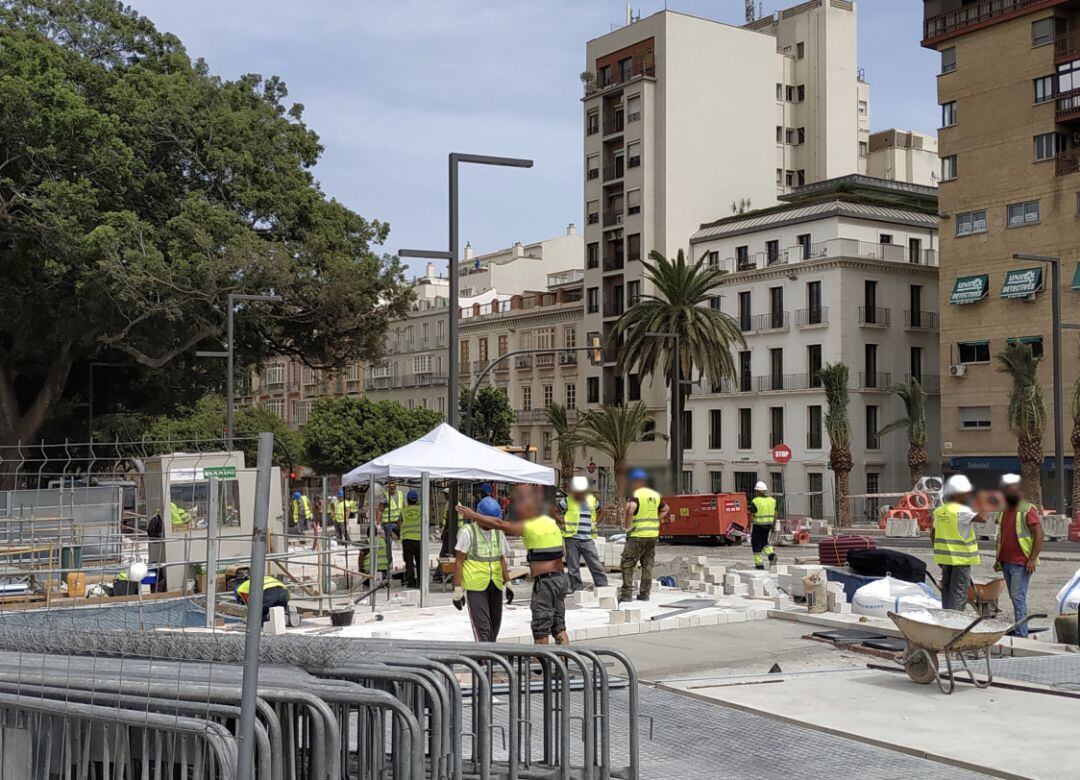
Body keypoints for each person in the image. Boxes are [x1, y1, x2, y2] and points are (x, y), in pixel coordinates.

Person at [460, 485, 569, 644]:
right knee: (559, 626)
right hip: (561, 580)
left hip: (545, 583)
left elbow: (500, 524)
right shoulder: (551, 524)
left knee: (541, 628)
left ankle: (542, 664)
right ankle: (562, 664)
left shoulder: (531, 525)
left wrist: (473, 514)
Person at [452, 496, 513, 642]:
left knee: (495, 627)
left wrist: (508, 583)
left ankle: (487, 661)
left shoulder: (498, 532)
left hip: (495, 584)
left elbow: (501, 559)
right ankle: (485, 662)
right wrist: (457, 589)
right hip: (475, 586)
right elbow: (459, 561)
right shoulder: (468, 532)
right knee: (483, 629)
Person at [994, 473, 1043, 637]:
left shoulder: (1027, 509)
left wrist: (1032, 559)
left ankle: (1022, 633)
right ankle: (1020, 630)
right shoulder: (1003, 511)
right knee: (1015, 597)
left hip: (1020, 562)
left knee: (1018, 598)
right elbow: (1001, 536)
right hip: (1006, 562)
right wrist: (998, 560)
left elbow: (1039, 533)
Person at [931, 474, 988, 610]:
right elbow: (983, 517)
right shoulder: (961, 511)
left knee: (947, 590)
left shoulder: (939, 512)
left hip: (945, 558)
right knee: (958, 592)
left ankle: (947, 616)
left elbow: (933, 534)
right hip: (961, 559)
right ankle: (955, 621)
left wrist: (939, 552)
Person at [619, 469, 667, 603]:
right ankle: (645, 594)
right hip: (652, 535)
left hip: (637, 535)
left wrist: (627, 526)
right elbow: (666, 509)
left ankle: (626, 594)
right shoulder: (655, 495)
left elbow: (630, 509)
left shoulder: (636, 495)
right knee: (647, 565)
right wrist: (656, 519)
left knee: (627, 564)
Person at [555, 476, 609, 592]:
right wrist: (562, 522)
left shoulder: (592, 500)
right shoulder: (568, 500)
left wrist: (595, 523)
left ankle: (602, 587)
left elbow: (602, 511)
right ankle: (577, 589)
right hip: (571, 539)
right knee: (573, 567)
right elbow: (554, 511)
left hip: (587, 539)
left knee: (595, 564)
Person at [748, 481, 778, 570]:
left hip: (758, 525)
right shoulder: (772, 501)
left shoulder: (756, 501)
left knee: (756, 543)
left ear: (757, 491)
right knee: (764, 541)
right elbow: (775, 514)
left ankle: (759, 565)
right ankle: (772, 555)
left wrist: (749, 526)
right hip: (768, 525)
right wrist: (773, 525)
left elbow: (752, 515)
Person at [398, 489, 424, 588]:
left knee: (409, 562)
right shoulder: (421, 509)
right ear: (416, 500)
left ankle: (411, 582)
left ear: (407, 500)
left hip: (407, 540)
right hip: (419, 539)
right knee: (419, 561)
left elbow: (399, 523)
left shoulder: (403, 511)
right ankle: (421, 581)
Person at [378, 480, 406, 570]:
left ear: (396, 485)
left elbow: (403, 508)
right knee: (388, 544)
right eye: (390, 485)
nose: (392, 487)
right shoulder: (384, 496)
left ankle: (407, 561)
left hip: (398, 522)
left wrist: (403, 521)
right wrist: (378, 524)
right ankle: (389, 563)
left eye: (393, 485)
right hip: (388, 523)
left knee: (405, 542)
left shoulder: (400, 494)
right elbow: (380, 510)